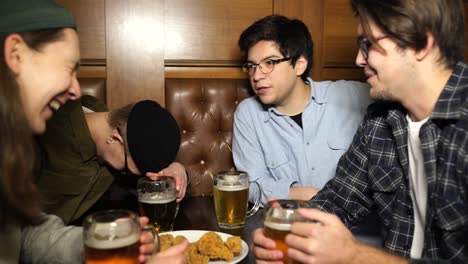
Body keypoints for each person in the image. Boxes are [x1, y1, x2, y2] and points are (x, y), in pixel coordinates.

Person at [252, 0, 467, 263]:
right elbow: (338, 201)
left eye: (368, 44)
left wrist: (356, 256)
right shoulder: (380, 119)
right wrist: (289, 234)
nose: (358, 59)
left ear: (421, 44)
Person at [0, 1, 186, 263]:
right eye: (69, 68)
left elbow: (26, 234)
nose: (77, 90)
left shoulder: (15, 135)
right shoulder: (43, 137)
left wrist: (176, 168)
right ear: (16, 54)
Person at [233, 15, 371, 205]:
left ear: (299, 65)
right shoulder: (248, 114)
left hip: (356, 230)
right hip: (287, 226)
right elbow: (252, 187)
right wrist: (310, 195)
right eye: (252, 66)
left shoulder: (354, 96)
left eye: (269, 63)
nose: (256, 75)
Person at [35, 95, 188, 225]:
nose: (129, 174)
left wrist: (176, 167)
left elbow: (143, 179)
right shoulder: (45, 135)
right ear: (115, 139)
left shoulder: (113, 132)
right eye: (128, 170)